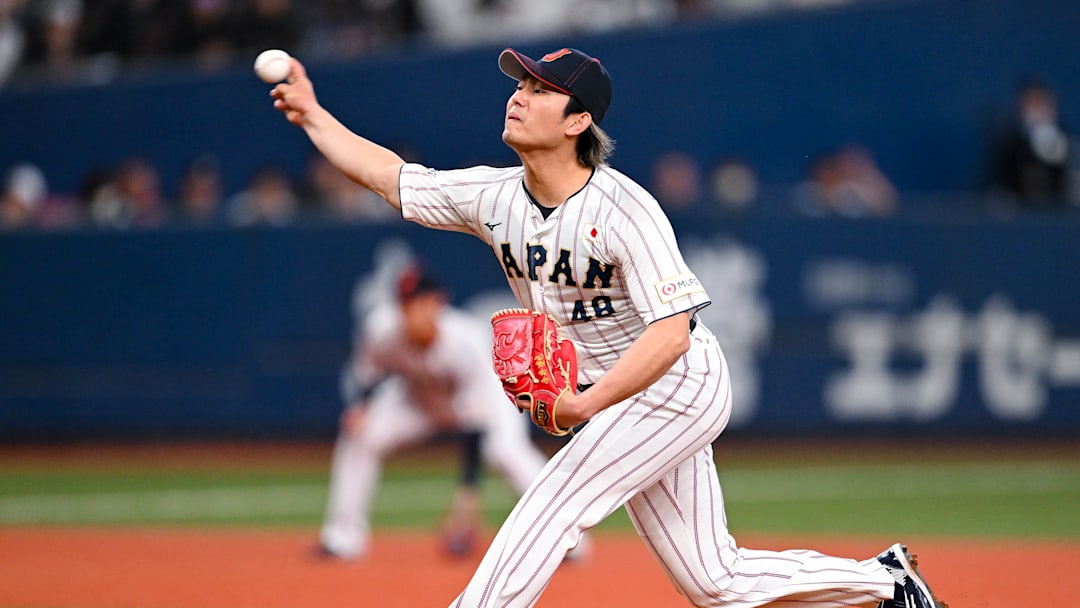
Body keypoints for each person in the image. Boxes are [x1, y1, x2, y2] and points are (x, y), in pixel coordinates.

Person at [270, 46, 944, 608]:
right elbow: (393, 178)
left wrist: (585, 405)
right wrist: (314, 116)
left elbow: (673, 331)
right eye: (521, 83)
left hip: (676, 383)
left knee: (552, 500)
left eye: (541, 90)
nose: (520, 95)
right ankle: (887, 582)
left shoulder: (625, 208)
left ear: (578, 120)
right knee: (716, 583)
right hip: (619, 396)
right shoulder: (494, 196)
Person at [317, 264, 569, 562]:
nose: (413, 312)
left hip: (487, 399)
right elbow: (367, 372)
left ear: (439, 303)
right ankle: (343, 537)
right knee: (360, 434)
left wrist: (468, 495)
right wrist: (361, 406)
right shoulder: (382, 329)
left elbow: (476, 423)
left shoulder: (465, 341)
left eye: (421, 303)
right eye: (406, 304)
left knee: (506, 452)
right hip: (417, 399)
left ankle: (563, 538)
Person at [987, 78, 1075, 207]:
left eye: (1042, 103)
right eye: (1032, 103)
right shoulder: (1008, 143)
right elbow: (997, 189)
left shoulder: (1066, 139)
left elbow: (1069, 183)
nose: (1037, 110)